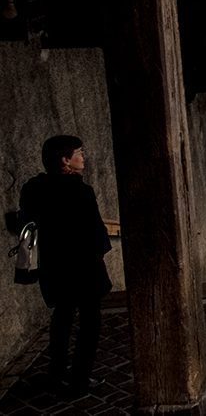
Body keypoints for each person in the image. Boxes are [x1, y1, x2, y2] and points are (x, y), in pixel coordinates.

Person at [19, 135, 112, 396]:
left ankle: (57, 374)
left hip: (54, 269)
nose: (83, 157)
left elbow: (27, 224)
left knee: (61, 319)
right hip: (84, 270)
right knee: (89, 324)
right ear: (65, 161)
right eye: (79, 153)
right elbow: (96, 235)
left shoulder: (32, 189)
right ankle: (80, 378)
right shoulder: (80, 191)